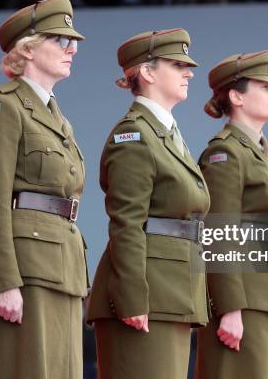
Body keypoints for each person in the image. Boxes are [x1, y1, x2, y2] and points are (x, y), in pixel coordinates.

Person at [0, 0, 88, 379]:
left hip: (61, 264)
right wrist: (4, 281)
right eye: (60, 40)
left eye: (72, 41)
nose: (72, 48)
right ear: (28, 49)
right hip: (26, 267)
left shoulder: (59, 118)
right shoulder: (3, 107)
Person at [85, 28, 210, 379]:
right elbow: (126, 222)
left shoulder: (166, 134)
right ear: (147, 72)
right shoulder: (135, 135)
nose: (189, 72)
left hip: (171, 291)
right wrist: (132, 298)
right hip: (148, 295)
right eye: (177, 64)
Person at [195, 51, 268, 379]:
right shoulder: (225, 152)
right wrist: (230, 307)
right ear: (236, 96)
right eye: (265, 86)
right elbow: (218, 233)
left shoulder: (263, 152)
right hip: (245, 302)